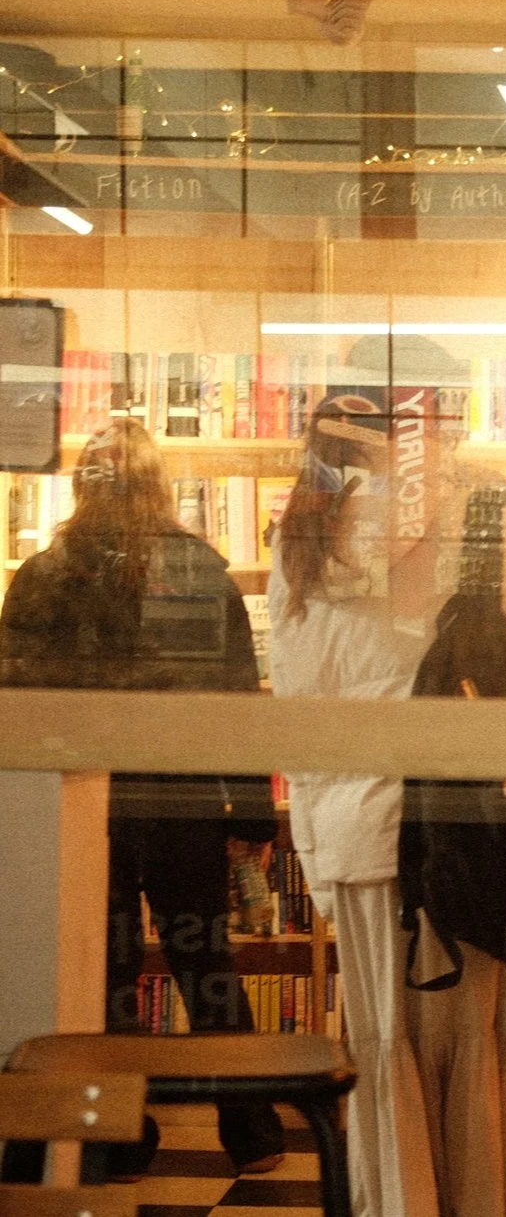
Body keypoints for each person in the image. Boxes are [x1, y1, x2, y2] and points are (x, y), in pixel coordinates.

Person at [268, 340, 506, 1217]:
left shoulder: (305, 530)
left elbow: (300, 703)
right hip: (476, 834)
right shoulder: (475, 510)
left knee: (393, 1061)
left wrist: (320, 847)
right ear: (431, 415)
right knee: (501, 1053)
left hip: (359, 842)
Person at [0, 420, 286, 1178]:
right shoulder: (197, 570)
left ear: (80, 488)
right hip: (182, 794)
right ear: (159, 487)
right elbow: (235, 701)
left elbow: (15, 697)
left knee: (106, 972)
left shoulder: (45, 574)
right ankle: (253, 1131)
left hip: (86, 800)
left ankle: (116, 1135)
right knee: (207, 965)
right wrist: (251, 815)